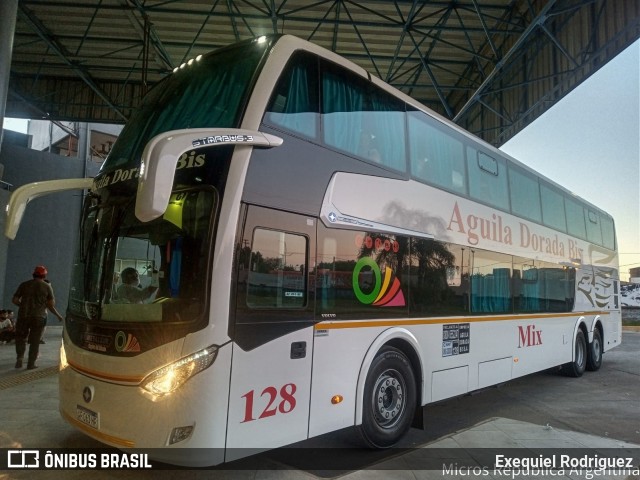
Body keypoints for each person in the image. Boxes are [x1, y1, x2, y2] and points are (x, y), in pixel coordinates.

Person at [12, 265, 64, 369]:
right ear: (44, 275)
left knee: (21, 338)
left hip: (24, 315)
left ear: (33, 274)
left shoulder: (24, 285)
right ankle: (31, 363)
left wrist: (23, 305)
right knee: (35, 341)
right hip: (39, 317)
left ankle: (20, 358)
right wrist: (58, 315)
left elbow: (15, 300)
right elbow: (51, 304)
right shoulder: (47, 286)